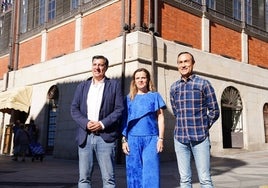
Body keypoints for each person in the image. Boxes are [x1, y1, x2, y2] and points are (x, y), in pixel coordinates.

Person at [70, 55, 124, 188]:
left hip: (105, 137)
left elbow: (119, 109)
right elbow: (74, 109)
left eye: (100, 65)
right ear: (91, 66)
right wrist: (85, 123)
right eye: (95, 64)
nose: (97, 67)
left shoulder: (114, 85)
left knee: (108, 179)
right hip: (85, 136)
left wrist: (101, 123)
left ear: (106, 68)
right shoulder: (82, 86)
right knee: (84, 179)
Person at [169, 51, 220, 188]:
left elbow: (214, 110)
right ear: (177, 65)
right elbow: (176, 111)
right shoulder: (174, 87)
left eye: (186, 61)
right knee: (184, 180)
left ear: (193, 64)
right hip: (180, 138)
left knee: (205, 179)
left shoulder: (204, 84)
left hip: (200, 138)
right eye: (180, 62)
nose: (183, 65)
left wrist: (203, 125)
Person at [121, 68, 166, 188]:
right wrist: (124, 140)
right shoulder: (128, 99)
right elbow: (125, 120)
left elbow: (160, 117)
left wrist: (160, 138)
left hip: (151, 139)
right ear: (134, 81)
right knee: (134, 173)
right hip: (132, 139)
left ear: (148, 80)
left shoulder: (155, 96)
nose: (141, 80)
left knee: (151, 173)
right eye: (138, 78)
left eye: (143, 77)